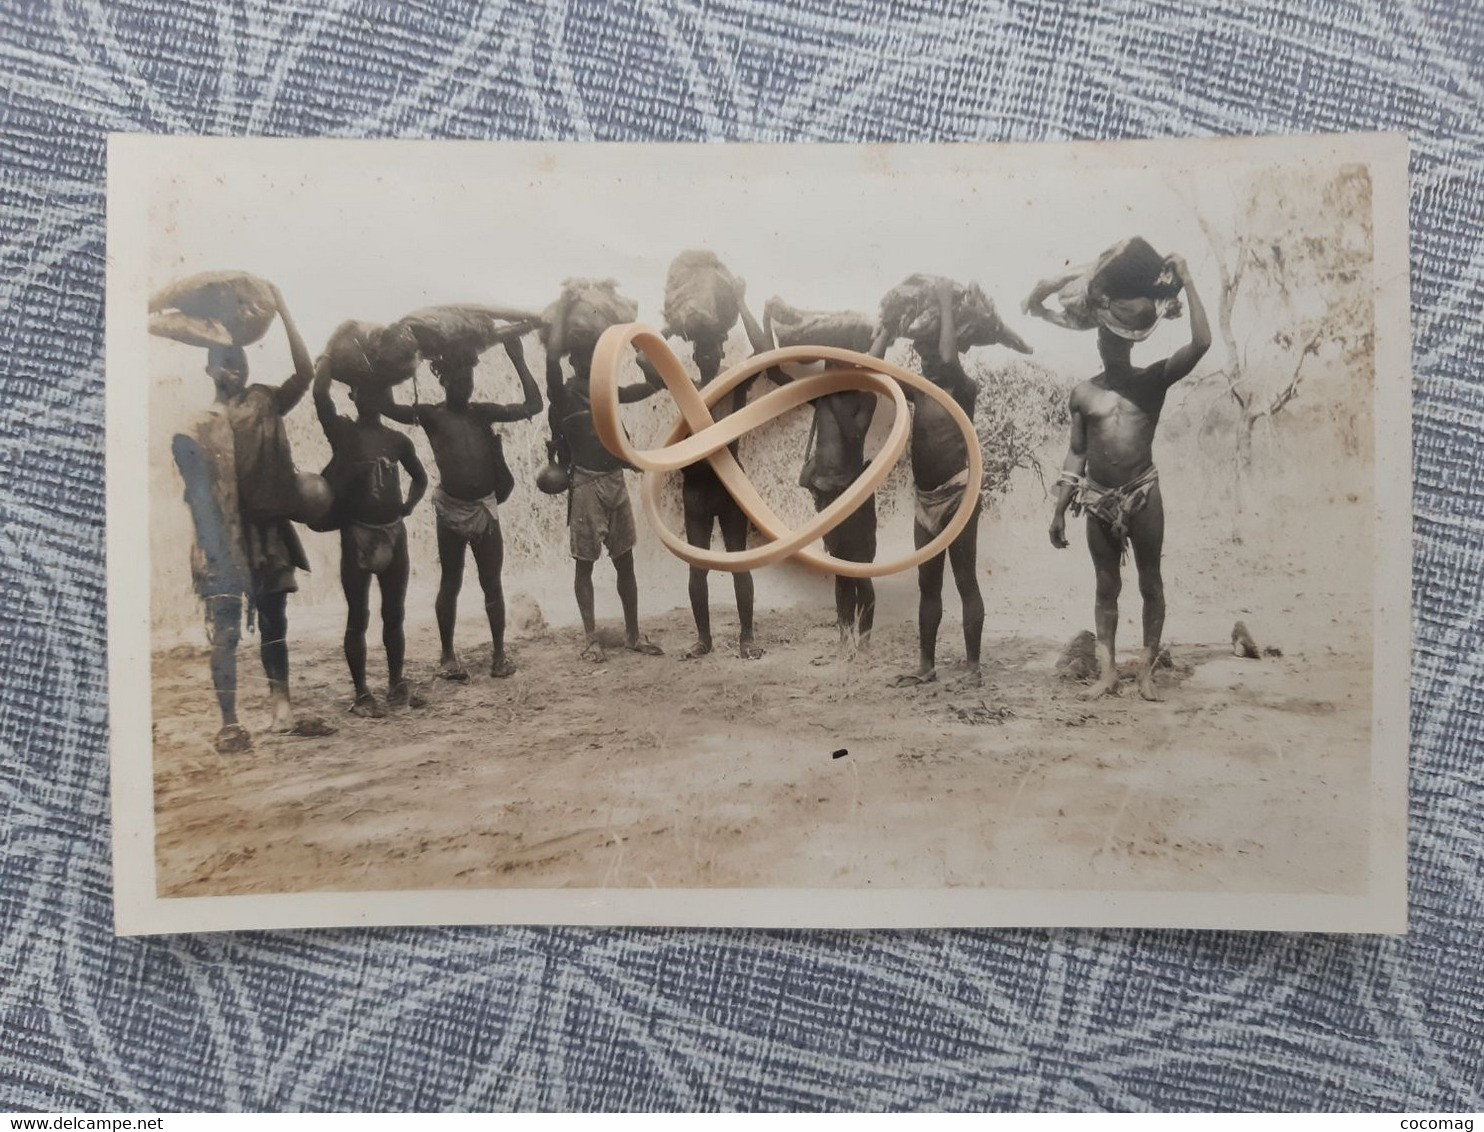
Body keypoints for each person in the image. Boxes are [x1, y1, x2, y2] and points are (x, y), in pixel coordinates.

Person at [170, 284, 334, 752]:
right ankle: (229, 721)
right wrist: (215, 547)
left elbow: (305, 373)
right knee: (223, 632)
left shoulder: (263, 401)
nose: (233, 368)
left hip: (266, 532)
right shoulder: (196, 425)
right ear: (208, 366)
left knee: (274, 621)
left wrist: (283, 311)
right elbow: (199, 495)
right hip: (221, 538)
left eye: (239, 360)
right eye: (224, 360)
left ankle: (281, 705)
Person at [1048, 254, 1210, 701]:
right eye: (1106, 340)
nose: (1112, 347)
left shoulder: (1152, 381)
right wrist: (1060, 509)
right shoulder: (1084, 393)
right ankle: (1107, 673)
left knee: (1150, 582)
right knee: (1106, 586)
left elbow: (1201, 344)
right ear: (1099, 344)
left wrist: (1189, 278)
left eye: (1119, 341)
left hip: (1143, 493)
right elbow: (1077, 452)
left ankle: (1147, 673)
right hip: (1098, 499)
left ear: (1131, 344)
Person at [382, 336, 540, 680]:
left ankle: (499, 655)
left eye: (469, 379)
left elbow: (534, 405)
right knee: (450, 582)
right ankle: (447, 656)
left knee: (491, 583)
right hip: (450, 509)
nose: (465, 386)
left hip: (484, 509)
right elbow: (387, 408)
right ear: (444, 379)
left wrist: (518, 358)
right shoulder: (431, 415)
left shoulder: (482, 413)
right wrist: (397, 365)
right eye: (458, 379)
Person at [742, 299, 878, 657]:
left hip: (854, 492)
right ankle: (843, 639)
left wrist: (832, 394)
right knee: (839, 570)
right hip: (826, 493)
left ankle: (863, 643)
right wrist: (767, 316)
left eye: (837, 361)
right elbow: (774, 373)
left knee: (860, 571)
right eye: (829, 361)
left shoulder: (865, 397)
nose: (831, 366)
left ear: (850, 362)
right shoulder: (823, 396)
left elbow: (855, 437)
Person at [885, 279, 989, 688]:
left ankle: (973, 666)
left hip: (959, 492)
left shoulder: (963, 387)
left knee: (965, 580)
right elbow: (874, 372)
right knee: (928, 583)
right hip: (925, 499)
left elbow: (948, 356)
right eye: (921, 352)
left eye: (930, 350)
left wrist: (945, 300)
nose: (926, 358)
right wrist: (884, 331)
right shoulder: (918, 389)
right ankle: (926, 666)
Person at [546, 318, 665, 662]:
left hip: (615, 479)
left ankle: (632, 635)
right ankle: (590, 639)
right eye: (583, 355)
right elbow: (551, 365)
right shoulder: (564, 393)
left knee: (624, 562)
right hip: (585, 483)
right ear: (573, 360)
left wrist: (641, 350)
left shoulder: (607, 389)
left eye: (595, 355)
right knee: (584, 565)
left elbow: (655, 385)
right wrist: (561, 316)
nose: (590, 361)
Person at [314, 363, 428, 716]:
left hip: (393, 532)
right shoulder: (343, 434)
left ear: (385, 397)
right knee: (358, 615)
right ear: (353, 395)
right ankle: (362, 693)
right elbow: (320, 396)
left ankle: (396, 683)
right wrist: (329, 358)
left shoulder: (397, 440)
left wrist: (407, 507)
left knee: (394, 613)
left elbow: (420, 477)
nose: (371, 397)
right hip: (357, 532)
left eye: (377, 390)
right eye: (363, 390)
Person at [676, 274, 764, 661]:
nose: (707, 356)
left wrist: (741, 302)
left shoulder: (736, 383)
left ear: (722, 351)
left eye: (713, 349)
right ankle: (704, 639)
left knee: (738, 560)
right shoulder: (685, 386)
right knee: (698, 566)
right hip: (696, 485)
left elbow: (764, 349)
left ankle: (746, 637)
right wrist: (676, 321)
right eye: (701, 350)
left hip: (728, 484)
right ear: (694, 355)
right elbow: (647, 358)